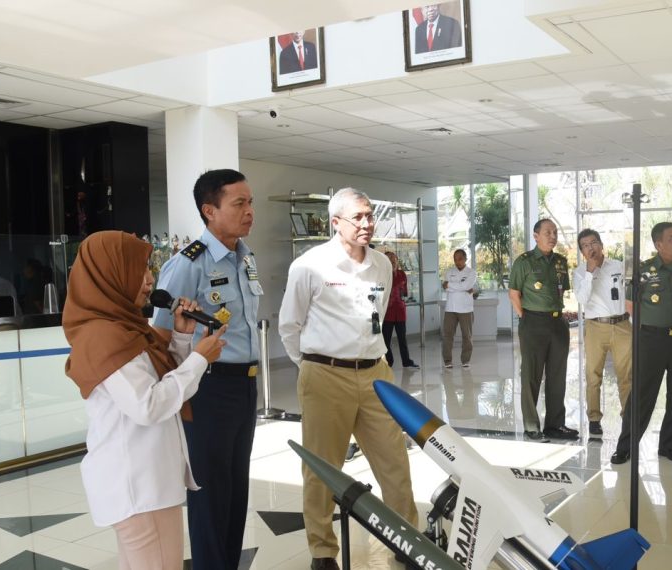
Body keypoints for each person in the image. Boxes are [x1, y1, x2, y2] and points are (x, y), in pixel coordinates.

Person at [63, 231, 225, 570]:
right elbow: (148, 405)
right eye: (139, 269)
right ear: (112, 273)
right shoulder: (104, 336)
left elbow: (158, 379)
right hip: (137, 484)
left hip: (147, 479)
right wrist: (199, 359)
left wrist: (181, 337)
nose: (150, 279)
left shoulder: (123, 326)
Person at [279, 188, 418, 570]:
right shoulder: (310, 265)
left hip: (376, 374)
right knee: (322, 468)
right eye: (357, 217)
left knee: (395, 463)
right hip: (325, 375)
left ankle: (406, 542)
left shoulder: (382, 265)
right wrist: (314, 367)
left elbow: (377, 319)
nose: (367, 223)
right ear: (335, 222)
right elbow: (289, 326)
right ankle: (323, 552)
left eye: (370, 215)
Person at [153, 168, 262, 570]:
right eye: (239, 203)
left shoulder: (245, 257)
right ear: (209, 210)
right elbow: (161, 338)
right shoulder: (188, 265)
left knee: (235, 492)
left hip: (245, 388)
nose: (249, 211)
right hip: (208, 391)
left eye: (250, 202)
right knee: (210, 494)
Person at [610, 222, 672, 465]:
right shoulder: (644, 270)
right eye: (671, 238)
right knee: (642, 393)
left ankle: (669, 446)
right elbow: (630, 305)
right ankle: (626, 446)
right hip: (652, 339)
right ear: (658, 244)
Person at [508, 219, 577, 442]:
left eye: (555, 232)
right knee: (531, 374)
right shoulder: (524, 262)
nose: (553, 236)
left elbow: (560, 292)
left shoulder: (560, 262)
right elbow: (514, 293)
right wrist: (526, 318)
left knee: (557, 376)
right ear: (536, 235)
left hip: (558, 323)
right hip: (533, 323)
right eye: (547, 232)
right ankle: (531, 425)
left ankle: (555, 425)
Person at [573, 229, 631, 436]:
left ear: (601, 244)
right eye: (586, 245)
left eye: (594, 243)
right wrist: (590, 272)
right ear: (582, 251)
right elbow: (582, 300)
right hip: (595, 327)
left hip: (622, 325)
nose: (591, 247)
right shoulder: (580, 272)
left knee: (626, 375)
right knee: (593, 375)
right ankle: (594, 418)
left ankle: (628, 415)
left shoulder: (618, 266)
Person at [382, 250, 419, 369]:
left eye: (394, 260)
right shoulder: (382, 275)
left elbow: (405, 292)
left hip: (400, 311)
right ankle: (389, 361)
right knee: (386, 340)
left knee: (402, 338)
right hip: (387, 312)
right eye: (389, 260)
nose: (393, 262)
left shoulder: (402, 274)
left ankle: (406, 361)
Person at [442, 248, 477, 368]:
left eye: (460, 259)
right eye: (455, 259)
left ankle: (466, 360)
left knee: (466, 336)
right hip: (450, 308)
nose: (457, 262)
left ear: (465, 259)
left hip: (465, 309)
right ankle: (447, 361)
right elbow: (446, 288)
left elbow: (466, 285)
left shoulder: (471, 273)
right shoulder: (449, 272)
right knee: (447, 335)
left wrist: (450, 285)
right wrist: (462, 288)